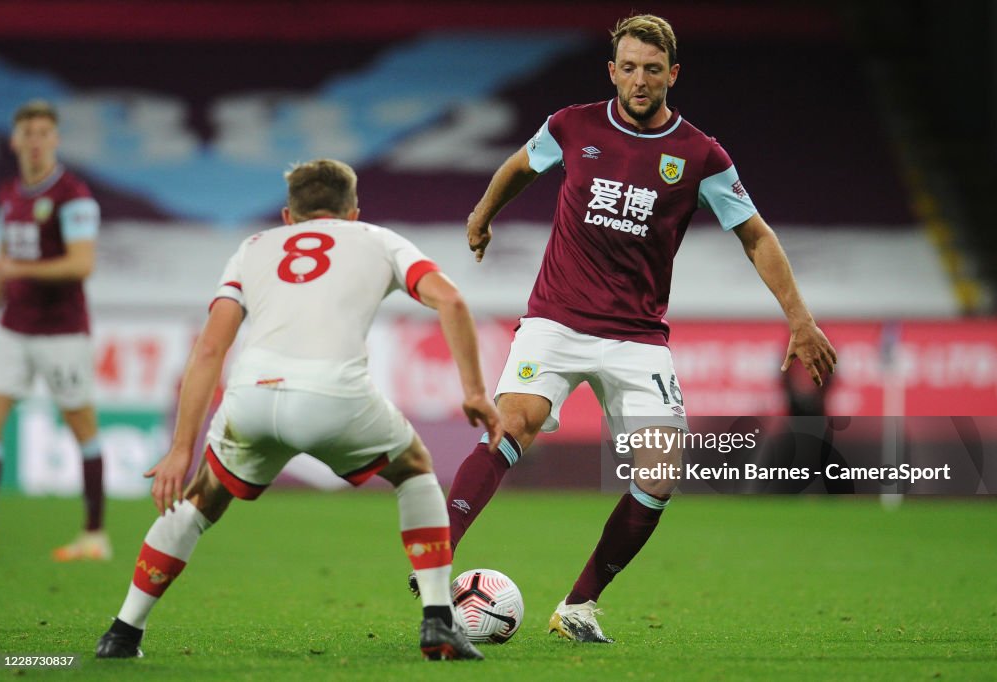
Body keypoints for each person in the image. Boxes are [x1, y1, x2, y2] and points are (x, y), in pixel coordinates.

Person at [439, 14, 838, 642]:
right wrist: (484, 212)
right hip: (556, 320)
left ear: (673, 74)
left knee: (660, 472)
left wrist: (800, 318)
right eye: (629, 67)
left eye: (653, 69)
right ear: (612, 71)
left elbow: (754, 234)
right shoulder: (573, 125)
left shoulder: (701, 155)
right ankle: (438, 558)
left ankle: (577, 606)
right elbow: (520, 164)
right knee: (511, 420)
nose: (640, 79)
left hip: (637, 336)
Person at [95, 159, 503, 661]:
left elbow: (207, 351)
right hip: (334, 397)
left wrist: (181, 448)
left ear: (289, 216)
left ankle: (122, 633)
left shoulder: (253, 248)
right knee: (415, 469)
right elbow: (453, 302)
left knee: (201, 499)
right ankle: (439, 622)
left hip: (252, 396)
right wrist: (476, 392)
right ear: (353, 211)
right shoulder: (378, 239)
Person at [0, 100, 108, 562]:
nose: (35, 141)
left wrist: (15, 267)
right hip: (13, 328)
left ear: (55, 139)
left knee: (83, 427)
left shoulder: (73, 195)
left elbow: (82, 263)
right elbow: (0, 264)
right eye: (28, 133)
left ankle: (94, 535)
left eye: (44, 133)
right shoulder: (7, 194)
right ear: (15, 140)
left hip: (62, 331)